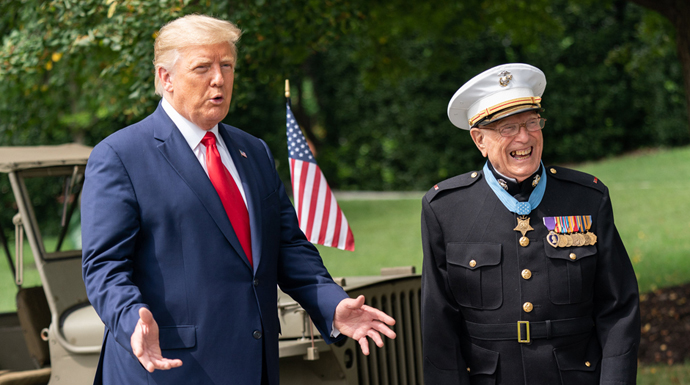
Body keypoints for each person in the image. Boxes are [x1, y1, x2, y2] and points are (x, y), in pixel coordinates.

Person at [81, 14, 395, 385]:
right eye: (203, 68)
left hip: (255, 366)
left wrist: (332, 304)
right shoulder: (120, 156)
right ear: (165, 78)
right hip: (169, 369)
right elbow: (104, 266)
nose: (219, 79)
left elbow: (288, 246)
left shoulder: (254, 151)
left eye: (226, 66)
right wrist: (131, 316)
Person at [421, 63, 640, 384]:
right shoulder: (445, 208)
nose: (524, 137)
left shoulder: (587, 198)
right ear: (479, 139)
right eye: (507, 128)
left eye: (532, 122)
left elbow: (618, 308)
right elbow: (439, 324)